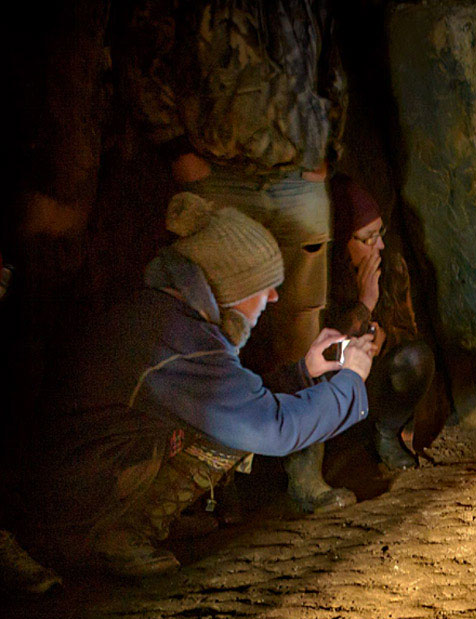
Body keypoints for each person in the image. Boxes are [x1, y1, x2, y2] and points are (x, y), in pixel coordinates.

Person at [21, 192, 375, 578]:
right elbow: (272, 428)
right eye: (264, 285)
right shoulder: (177, 343)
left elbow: (240, 398)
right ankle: (113, 534)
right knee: (233, 432)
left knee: (226, 424)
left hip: (70, 488)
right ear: (232, 288)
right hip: (66, 516)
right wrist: (351, 380)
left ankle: (136, 518)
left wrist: (304, 371)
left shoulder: (162, 316)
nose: (273, 298)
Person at [123, 1, 350, 513]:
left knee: (305, 325)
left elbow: (332, 59)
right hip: (217, 167)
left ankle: (305, 477)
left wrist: (327, 146)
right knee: (212, 333)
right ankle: (204, 495)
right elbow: (145, 42)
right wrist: (175, 146)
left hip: (298, 172)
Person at [326, 174, 435, 469]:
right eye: (368, 238)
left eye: (380, 233)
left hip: (376, 385)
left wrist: (386, 340)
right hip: (331, 391)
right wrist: (365, 303)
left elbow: (408, 331)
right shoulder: (321, 277)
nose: (380, 246)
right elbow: (318, 353)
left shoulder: (391, 266)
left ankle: (386, 433)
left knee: (417, 358)